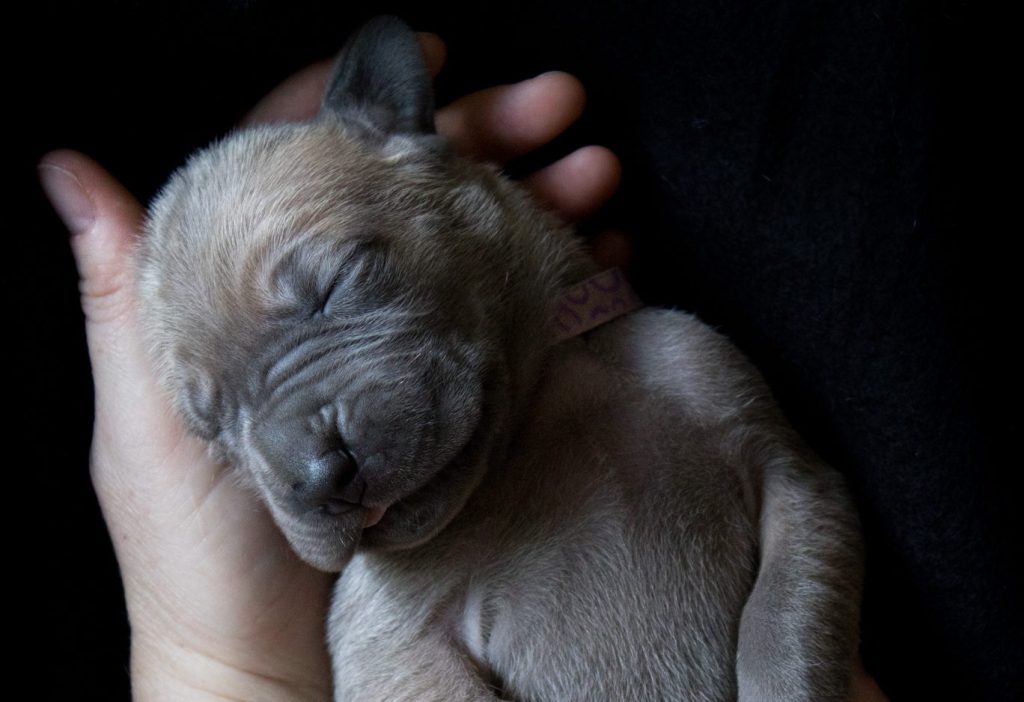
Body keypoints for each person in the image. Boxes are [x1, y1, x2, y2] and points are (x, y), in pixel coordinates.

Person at [40, 33, 885, 702]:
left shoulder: (669, 360)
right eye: (219, 422)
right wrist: (215, 664)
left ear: (402, 132)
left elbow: (800, 501)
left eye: (333, 290)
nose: (309, 464)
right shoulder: (395, 595)